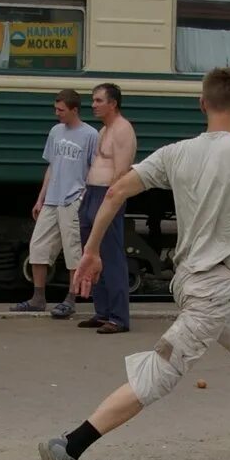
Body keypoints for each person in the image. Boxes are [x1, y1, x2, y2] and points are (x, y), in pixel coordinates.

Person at [38, 67, 230, 460]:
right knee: (159, 374)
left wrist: (91, 250)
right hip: (214, 289)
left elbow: (114, 193)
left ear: (202, 104)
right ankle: (69, 447)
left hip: (200, 283)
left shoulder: (177, 153)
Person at [11, 90, 98, 319]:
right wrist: (40, 198)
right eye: (56, 109)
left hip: (73, 199)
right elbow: (51, 166)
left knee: (73, 251)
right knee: (38, 247)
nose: (56, 113)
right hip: (52, 199)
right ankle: (38, 298)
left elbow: (94, 169)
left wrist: (84, 197)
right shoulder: (55, 132)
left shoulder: (90, 135)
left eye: (61, 109)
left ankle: (71, 299)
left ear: (74, 110)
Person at [77, 83, 137, 334]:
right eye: (93, 100)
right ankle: (101, 312)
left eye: (99, 100)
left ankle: (119, 317)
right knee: (91, 255)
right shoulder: (103, 131)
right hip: (91, 192)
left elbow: (122, 171)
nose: (93, 105)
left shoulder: (123, 130)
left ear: (113, 103)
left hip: (107, 195)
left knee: (111, 256)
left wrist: (110, 201)